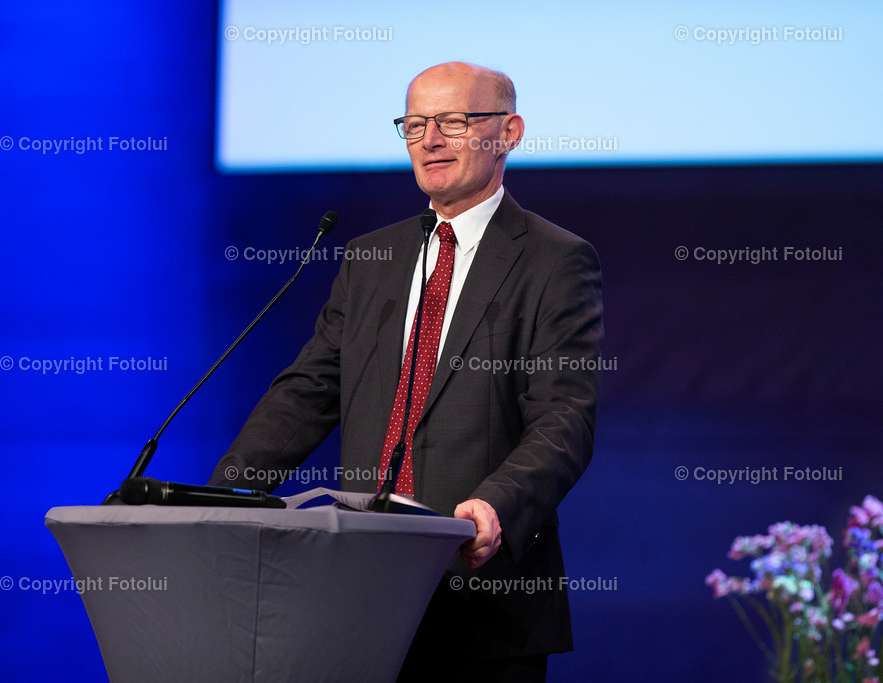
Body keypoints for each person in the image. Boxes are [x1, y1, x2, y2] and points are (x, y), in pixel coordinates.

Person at [209, 61, 603, 682]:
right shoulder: (372, 258)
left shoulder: (555, 261)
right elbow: (309, 391)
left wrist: (497, 506)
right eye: (415, 123)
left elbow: (565, 418)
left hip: (482, 597)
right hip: (359, 597)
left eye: (452, 120)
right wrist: (224, 495)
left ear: (509, 132)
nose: (430, 139)